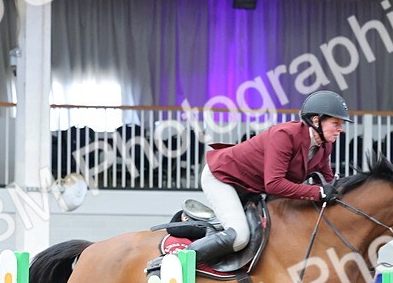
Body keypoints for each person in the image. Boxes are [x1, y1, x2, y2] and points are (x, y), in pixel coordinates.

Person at [149, 90, 351, 272]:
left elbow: (327, 181)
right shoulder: (284, 136)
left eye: (340, 124)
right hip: (223, 177)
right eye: (336, 123)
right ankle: (173, 263)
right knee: (239, 236)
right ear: (315, 121)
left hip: (251, 188)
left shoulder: (324, 146)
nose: (340, 129)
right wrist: (317, 193)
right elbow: (275, 184)